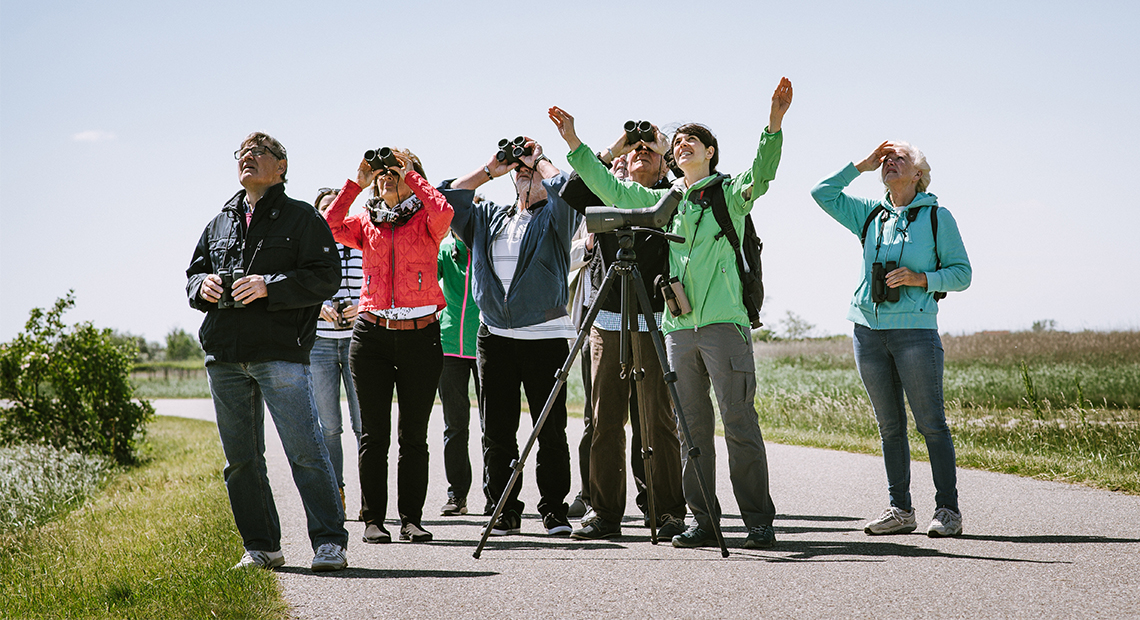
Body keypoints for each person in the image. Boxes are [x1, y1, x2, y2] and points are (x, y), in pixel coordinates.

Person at [549, 76, 794, 550]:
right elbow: (606, 187)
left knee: (740, 424)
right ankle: (703, 520)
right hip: (678, 327)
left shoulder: (730, 193)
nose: (681, 145)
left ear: (711, 152)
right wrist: (575, 143)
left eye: (691, 142)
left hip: (725, 325)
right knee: (691, 430)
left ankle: (759, 521)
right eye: (677, 142)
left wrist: (774, 123)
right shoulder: (666, 202)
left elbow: (763, 174)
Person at [185, 131, 348, 572]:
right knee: (241, 461)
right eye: (242, 152)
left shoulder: (302, 219)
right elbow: (192, 276)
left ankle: (330, 542)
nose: (248, 158)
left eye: (260, 152)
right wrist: (203, 286)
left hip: (280, 353)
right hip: (224, 354)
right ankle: (262, 547)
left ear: (282, 167)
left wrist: (268, 286)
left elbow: (325, 277)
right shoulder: (219, 222)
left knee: (306, 451)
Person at [810, 140, 972, 537]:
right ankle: (901, 511)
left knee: (931, 424)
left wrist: (922, 279)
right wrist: (860, 165)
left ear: (918, 173)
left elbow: (962, 273)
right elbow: (821, 193)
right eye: (885, 159)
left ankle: (948, 511)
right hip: (867, 332)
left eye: (899, 158)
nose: (889, 163)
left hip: (916, 332)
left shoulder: (937, 217)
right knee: (889, 427)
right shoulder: (870, 215)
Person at [439, 137, 582, 537]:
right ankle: (503, 507)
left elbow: (568, 187)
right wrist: (491, 168)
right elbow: (446, 197)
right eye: (519, 170)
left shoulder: (557, 217)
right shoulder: (489, 218)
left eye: (531, 170)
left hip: (545, 336)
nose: (525, 171)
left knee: (549, 428)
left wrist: (541, 160)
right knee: (497, 429)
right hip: (496, 336)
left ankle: (554, 509)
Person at [559, 131, 687, 541]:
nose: (642, 154)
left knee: (659, 421)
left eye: (651, 151)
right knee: (604, 421)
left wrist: (667, 151)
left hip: (653, 319)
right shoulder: (605, 192)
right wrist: (616, 146)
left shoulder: (674, 197)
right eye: (636, 152)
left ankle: (668, 511)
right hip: (608, 319)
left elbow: (693, 181)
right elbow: (571, 188)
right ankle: (604, 512)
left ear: (665, 162)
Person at [323, 148, 453, 544]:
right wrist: (356, 184)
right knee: (373, 435)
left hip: (420, 335)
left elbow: (445, 212)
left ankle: (411, 518)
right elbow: (328, 225)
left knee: (413, 434)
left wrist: (411, 175)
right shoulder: (366, 221)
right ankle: (373, 520)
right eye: (382, 173)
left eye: (394, 170)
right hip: (372, 336)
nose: (387, 177)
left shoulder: (427, 219)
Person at [312, 187, 364, 512]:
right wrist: (319, 306)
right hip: (320, 345)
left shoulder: (363, 242)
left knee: (364, 425)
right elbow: (297, 287)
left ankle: (370, 497)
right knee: (330, 427)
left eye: (337, 207)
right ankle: (337, 493)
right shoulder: (309, 250)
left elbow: (377, 282)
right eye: (325, 209)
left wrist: (360, 305)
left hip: (359, 342)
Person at [436, 231, 486, 517]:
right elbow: (427, 277)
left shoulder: (486, 246)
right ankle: (457, 496)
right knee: (455, 426)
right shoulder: (444, 249)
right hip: (449, 343)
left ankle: (496, 497)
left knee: (490, 425)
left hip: (485, 342)